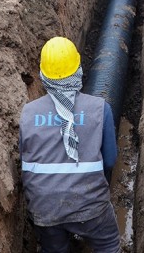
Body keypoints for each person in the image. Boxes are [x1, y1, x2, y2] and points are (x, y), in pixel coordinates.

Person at [19, 37, 120, 253]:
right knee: (108, 244)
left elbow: (25, 157)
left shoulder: (28, 113)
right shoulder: (100, 108)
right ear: (78, 70)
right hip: (90, 207)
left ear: (43, 75)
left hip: (44, 208)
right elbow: (110, 160)